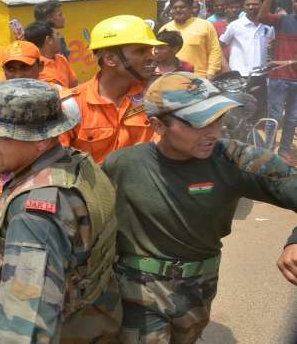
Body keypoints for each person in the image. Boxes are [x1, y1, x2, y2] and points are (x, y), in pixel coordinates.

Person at [102, 72, 297, 344]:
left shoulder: (234, 158)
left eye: (218, 118)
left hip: (199, 289)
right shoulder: (122, 165)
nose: (213, 132)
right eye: (198, 123)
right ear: (157, 125)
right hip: (136, 290)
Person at [0, 78, 121, 343]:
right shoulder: (77, 163)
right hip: (94, 314)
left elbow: (25, 326)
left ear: (41, 141)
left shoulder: (35, 211)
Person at [60, 15, 164, 164]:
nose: (151, 57)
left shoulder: (156, 97)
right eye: (141, 51)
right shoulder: (71, 106)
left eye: (151, 51)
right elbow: (57, 165)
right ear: (110, 59)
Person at [258, 0, 297, 163]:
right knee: (273, 116)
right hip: (279, 77)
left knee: (292, 117)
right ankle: (268, 149)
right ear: (294, 2)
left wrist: (286, 61)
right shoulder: (283, 20)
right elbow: (262, 17)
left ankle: (285, 150)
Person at [160, 0, 223, 77]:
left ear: (190, 9)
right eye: (175, 8)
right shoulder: (165, 29)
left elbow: (214, 51)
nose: (178, 10)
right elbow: (158, 53)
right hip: (170, 78)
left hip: (199, 78)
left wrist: (211, 73)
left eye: (182, 7)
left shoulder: (205, 25)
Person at [220, 0, 274, 76]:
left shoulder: (269, 26)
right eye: (248, 5)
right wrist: (226, 68)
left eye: (255, 4)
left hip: (262, 75)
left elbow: (272, 48)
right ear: (244, 7)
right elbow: (219, 46)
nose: (251, 7)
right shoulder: (234, 25)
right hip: (239, 74)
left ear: (263, 5)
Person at [24, 21, 78, 88]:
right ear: (49, 40)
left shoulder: (61, 59)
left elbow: (74, 86)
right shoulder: (33, 68)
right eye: (57, 34)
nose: (60, 37)